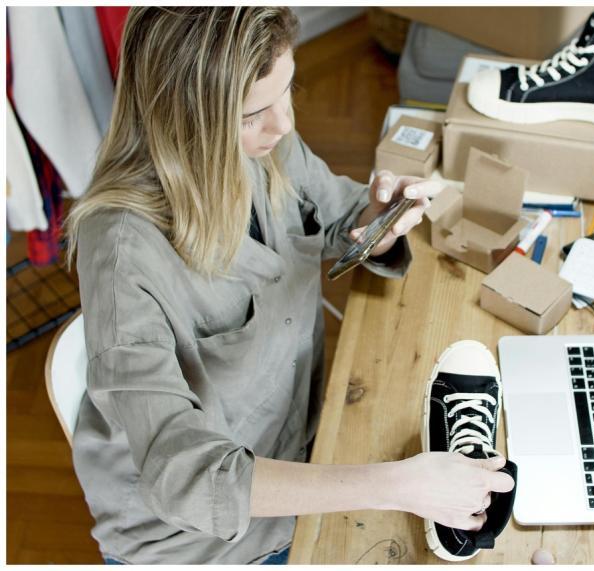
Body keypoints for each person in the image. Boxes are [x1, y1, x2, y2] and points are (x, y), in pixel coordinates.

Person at [64, 7, 514, 565]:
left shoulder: (263, 144)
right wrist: (399, 484)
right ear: (185, 119)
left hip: (301, 443)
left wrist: (376, 221)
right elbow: (186, 477)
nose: (283, 124)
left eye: (288, 90)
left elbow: (334, 211)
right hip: (204, 542)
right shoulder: (121, 253)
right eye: (254, 113)